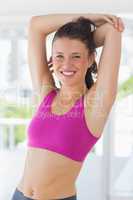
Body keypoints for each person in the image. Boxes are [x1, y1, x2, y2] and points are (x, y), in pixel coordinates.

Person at [11, 13, 124, 200]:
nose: (66, 64)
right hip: (19, 195)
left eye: (76, 56)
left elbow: (112, 30)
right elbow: (35, 25)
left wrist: (84, 35)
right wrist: (85, 20)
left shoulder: (95, 104)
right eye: (60, 57)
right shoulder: (45, 93)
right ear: (52, 59)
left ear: (90, 59)